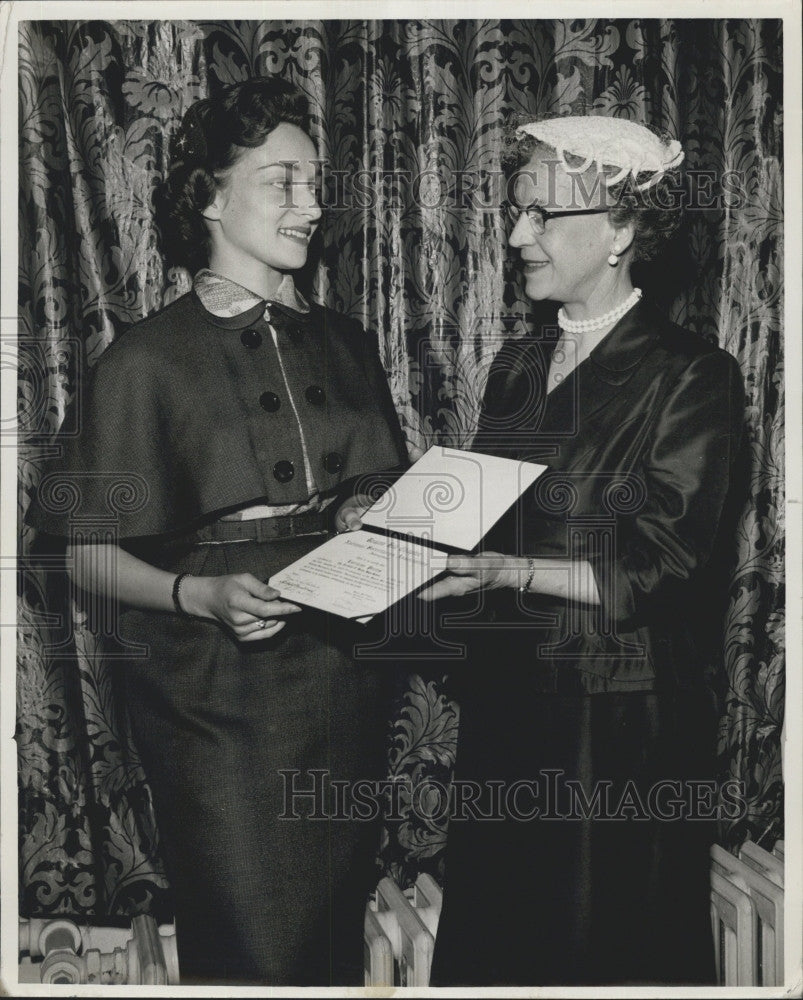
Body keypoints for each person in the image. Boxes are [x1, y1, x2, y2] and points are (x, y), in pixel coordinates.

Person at [26, 78, 408, 985]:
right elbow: (83, 553)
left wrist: (372, 514)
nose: (310, 206)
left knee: (328, 958)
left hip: (345, 690)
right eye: (282, 181)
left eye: (315, 184)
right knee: (252, 954)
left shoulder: (349, 343)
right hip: (216, 708)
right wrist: (194, 593)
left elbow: (378, 494)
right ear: (207, 195)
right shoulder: (143, 360)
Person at [412, 116, 745, 985]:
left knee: (600, 950)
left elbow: (669, 561)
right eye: (515, 212)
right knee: (500, 948)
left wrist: (511, 569)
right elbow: (488, 520)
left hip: (617, 726)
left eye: (544, 216)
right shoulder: (516, 367)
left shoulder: (691, 375)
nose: (518, 235)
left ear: (621, 232)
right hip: (509, 710)